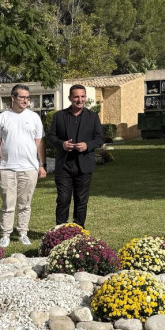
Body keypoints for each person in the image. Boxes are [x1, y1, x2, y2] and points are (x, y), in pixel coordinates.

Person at [0, 84, 47, 247]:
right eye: (22, 97)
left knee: (25, 203)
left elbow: (39, 143)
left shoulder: (34, 117)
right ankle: (6, 234)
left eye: (27, 97)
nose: (25, 100)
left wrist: (42, 165)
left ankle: (23, 232)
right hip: (7, 168)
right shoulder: (3, 117)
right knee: (8, 204)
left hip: (29, 168)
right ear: (13, 98)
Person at [47, 84, 105, 228]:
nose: (80, 100)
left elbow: (99, 138)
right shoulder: (59, 116)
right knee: (63, 199)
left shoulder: (92, 117)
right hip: (64, 166)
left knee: (81, 200)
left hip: (84, 165)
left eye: (82, 96)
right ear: (70, 98)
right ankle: (60, 230)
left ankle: (79, 230)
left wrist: (87, 145)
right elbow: (50, 137)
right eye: (76, 97)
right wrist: (62, 144)